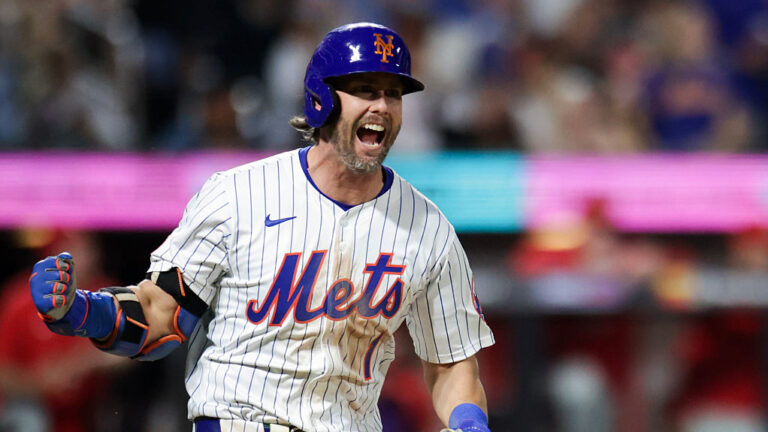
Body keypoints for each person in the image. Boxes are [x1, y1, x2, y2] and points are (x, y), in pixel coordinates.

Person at [29, 22, 495, 432]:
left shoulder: (428, 228)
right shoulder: (238, 195)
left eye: (393, 93)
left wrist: (468, 421)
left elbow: (452, 363)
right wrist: (80, 311)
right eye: (365, 90)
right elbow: (160, 319)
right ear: (322, 98)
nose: (383, 105)